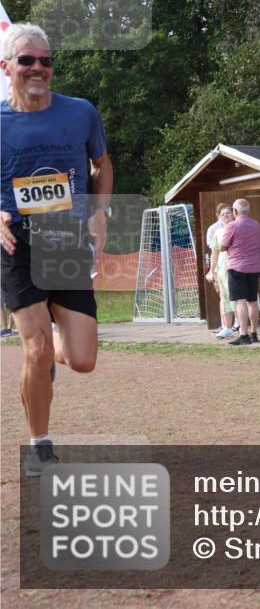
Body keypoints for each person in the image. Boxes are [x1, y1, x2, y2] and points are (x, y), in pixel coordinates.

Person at [0, 23, 114, 475]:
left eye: (46, 60)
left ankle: (48, 355)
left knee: (82, 360)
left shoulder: (80, 112)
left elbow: (101, 166)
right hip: (18, 244)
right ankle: (39, 445)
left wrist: (100, 211)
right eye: (27, 60)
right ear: (6, 66)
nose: (38, 68)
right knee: (37, 349)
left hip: (65, 240)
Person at [220, 198, 260, 345]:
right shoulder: (256, 225)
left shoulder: (232, 225)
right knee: (252, 301)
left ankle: (243, 335)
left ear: (235, 211)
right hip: (254, 267)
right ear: (247, 210)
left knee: (240, 301)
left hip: (237, 266)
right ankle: (254, 333)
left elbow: (222, 246)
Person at [206, 204, 237, 338]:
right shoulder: (217, 232)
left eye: (228, 213)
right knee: (224, 297)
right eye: (222, 214)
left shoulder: (239, 228)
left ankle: (241, 325)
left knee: (238, 297)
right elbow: (214, 253)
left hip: (237, 266)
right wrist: (211, 271)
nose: (225, 216)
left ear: (234, 214)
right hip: (222, 268)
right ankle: (226, 326)